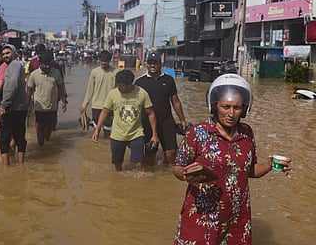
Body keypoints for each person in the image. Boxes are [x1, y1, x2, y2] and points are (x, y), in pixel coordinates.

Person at [172, 73, 292, 244]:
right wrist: (184, 174)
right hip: (203, 215)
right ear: (214, 106)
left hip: (237, 217)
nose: (231, 113)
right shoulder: (198, 133)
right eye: (225, 107)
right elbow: (178, 166)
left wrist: (271, 165)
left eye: (237, 108)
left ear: (244, 109)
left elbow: (249, 170)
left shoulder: (246, 133)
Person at [92, 70, 159, 171]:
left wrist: (154, 134)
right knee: (117, 165)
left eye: (122, 86)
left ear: (130, 84)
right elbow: (104, 112)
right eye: (118, 86)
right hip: (117, 134)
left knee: (139, 164)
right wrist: (97, 130)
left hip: (136, 133)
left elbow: (151, 113)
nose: (120, 88)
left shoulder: (141, 93)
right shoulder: (112, 94)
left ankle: (142, 184)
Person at [134, 52, 187, 166]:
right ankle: (153, 178)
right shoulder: (140, 82)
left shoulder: (168, 80)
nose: (152, 65)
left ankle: (165, 171)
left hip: (166, 120)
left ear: (160, 64)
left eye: (155, 63)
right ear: (146, 64)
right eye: (150, 63)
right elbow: (135, 104)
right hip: (146, 122)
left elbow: (175, 101)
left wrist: (182, 120)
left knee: (171, 153)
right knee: (150, 154)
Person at [27, 51, 67, 145]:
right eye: (44, 65)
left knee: (49, 128)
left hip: (52, 106)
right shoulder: (34, 74)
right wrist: (27, 104)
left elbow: (61, 88)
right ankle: (41, 146)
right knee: (39, 126)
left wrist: (63, 101)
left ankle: (46, 141)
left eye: (48, 64)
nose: (47, 67)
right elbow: (29, 90)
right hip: (39, 106)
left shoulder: (56, 73)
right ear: (40, 64)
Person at [0, 44, 29, 165]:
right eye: (4, 54)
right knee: (19, 137)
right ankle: (21, 166)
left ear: (14, 52)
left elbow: (13, 85)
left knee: (3, 138)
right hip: (19, 108)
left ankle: (6, 167)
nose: (5, 55)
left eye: (8, 53)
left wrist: (4, 104)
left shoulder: (14, 65)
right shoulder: (14, 65)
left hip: (12, 108)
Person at [80, 50, 119, 138]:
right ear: (99, 60)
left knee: (107, 132)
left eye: (106, 61)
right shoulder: (94, 72)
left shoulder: (116, 72)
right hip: (96, 105)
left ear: (109, 61)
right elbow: (90, 90)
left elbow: (119, 91)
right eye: (102, 60)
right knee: (95, 130)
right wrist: (84, 105)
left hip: (110, 106)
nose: (104, 63)